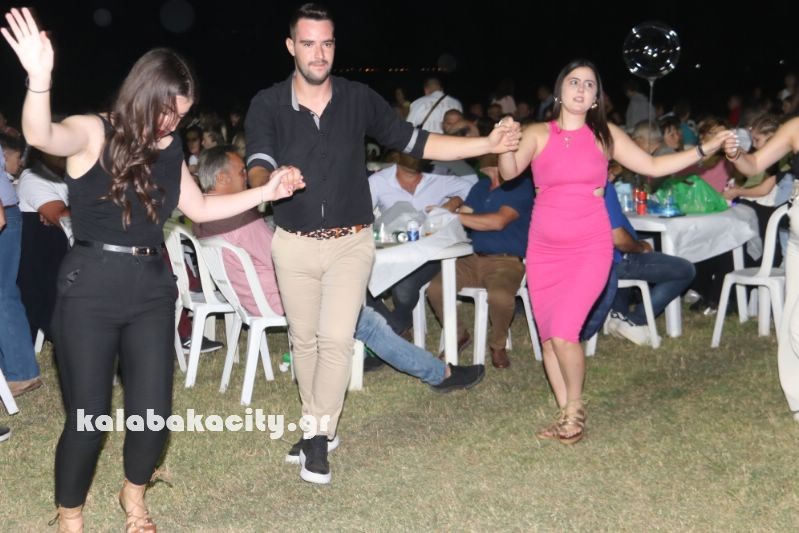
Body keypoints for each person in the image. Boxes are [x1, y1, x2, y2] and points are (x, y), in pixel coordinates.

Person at [2, 8, 305, 532]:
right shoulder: (92, 131)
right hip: (90, 288)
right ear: (142, 92)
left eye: (180, 117)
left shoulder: (168, 149)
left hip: (151, 289)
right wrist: (39, 78)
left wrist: (269, 191)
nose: (171, 124)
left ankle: (134, 494)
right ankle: (70, 515)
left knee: (154, 415)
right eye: (166, 111)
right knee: (89, 419)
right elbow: (41, 133)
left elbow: (201, 208)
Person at [244, 3, 518, 485]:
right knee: (304, 341)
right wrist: (269, 182)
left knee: (335, 339)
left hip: (350, 243)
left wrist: (485, 145)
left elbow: (418, 142)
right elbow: (258, 161)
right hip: (293, 244)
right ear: (291, 47)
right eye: (308, 43)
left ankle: (316, 437)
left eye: (327, 43)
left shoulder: (357, 98)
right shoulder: (267, 104)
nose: (319, 53)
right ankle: (317, 424)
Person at [497, 59, 732, 445]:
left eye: (589, 85)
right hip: (543, 250)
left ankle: (575, 410)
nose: (581, 89)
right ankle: (565, 412)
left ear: (596, 98)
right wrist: (506, 145)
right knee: (550, 337)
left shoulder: (605, 136)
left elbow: (653, 165)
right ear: (560, 91)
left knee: (566, 332)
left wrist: (704, 148)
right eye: (574, 82)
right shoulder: (538, 133)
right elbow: (508, 172)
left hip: (589, 246)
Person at [723, 115, 799, 420]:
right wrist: (736, 154)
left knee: (798, 327)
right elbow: (754, 165)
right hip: (796, 239)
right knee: (791, 315)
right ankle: (797, 397)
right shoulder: (794, 127)